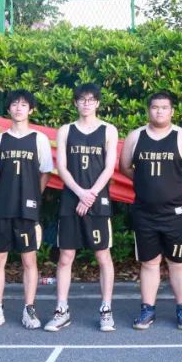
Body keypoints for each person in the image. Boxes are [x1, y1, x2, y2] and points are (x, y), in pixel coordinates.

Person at [119, 91, 182, 330]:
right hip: (144, 211)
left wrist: (176, 188)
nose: (159, 111)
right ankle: (147, 310)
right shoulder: (136, 136)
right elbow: (125, 167)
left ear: (172, 111)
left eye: (164, 107)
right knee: (149, 262)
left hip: (175, 212)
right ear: (149, 110)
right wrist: (146, 186)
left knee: (177, 261)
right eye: (155, 107)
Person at [46, 83, 119, 332]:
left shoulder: (108, 130)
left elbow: (109, 168)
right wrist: (80, 193)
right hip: (71, 199)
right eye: (82, 99)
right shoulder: (66, 130)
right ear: (75, 103)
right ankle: (61, 309)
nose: (86, 103)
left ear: (98, 103)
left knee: (102, 255)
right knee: (66, 256)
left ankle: (106, 309)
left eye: (91, 99)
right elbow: (62, 167)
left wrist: (91, 195)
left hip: (98, 201)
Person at [0, 90, 54, 331]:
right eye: (14, 104)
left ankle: (29, 308)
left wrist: (32, 196)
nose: (19, 108)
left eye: (24, 105)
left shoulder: (39, 139)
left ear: (31, 110)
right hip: (3, 208)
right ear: (9, 109)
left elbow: (45, 173)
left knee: (29, 260)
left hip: (27, 210)